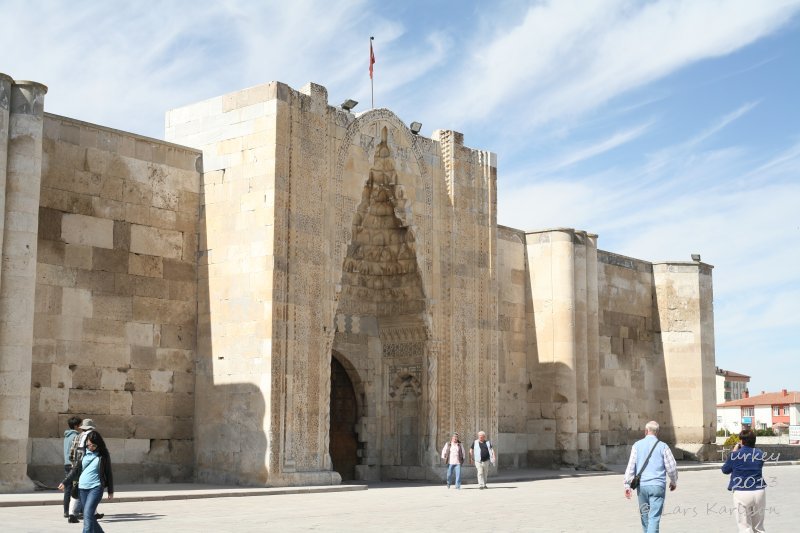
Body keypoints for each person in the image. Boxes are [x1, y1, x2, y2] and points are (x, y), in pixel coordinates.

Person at [624, 420, 678, 533]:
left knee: (644, 515)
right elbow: (672, 467)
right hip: (658, 486)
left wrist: (627, 485)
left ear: (646, 431)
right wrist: (673, 481)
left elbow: (630, 467)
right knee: (654, 517)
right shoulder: (663, 446)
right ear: (657, 432)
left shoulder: (636, 446)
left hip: (642, 487)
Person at [59, 431, 114, 533]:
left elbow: (108, 472)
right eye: (89, 444)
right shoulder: (82, 452)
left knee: (87, 515)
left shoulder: (103, 455)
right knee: (89, 516)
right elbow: (75, 469)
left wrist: (110, 490)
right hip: (82, 488)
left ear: (99, 444)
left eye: (94, 445)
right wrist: (65, 482)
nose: (91, 447)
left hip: (96, 488)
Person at [722, 429, 766, 532]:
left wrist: (734, 452)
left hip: (742, 491)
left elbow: (725, 470)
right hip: (759, 491)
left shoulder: (735, 455)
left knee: (744, 526)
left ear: (741, 441)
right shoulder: (760, 454)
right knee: (759, 526)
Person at [62, 416, 82, 518]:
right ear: (76, 425)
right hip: (73, 464)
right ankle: (77, 510)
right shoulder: (76, 436)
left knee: (68, 488)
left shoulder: (66, 436)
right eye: (80, 424)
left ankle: (66, 511)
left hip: (66, 463)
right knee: (78, 487)